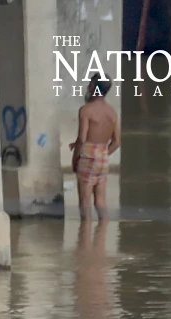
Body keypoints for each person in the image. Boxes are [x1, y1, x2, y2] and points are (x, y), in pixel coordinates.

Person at [70, 75, 120, 220]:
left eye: (90, 84)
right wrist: (102, 154)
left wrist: (75, 159)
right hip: (103, 157)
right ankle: (102, 231)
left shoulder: (86, 110)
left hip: (87, 156)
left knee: (85, 203)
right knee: (100, 202)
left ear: (93, 88)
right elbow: (117, 142)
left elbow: (82, 138)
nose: (87, 87)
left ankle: (85, 232)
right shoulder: (112, 112)